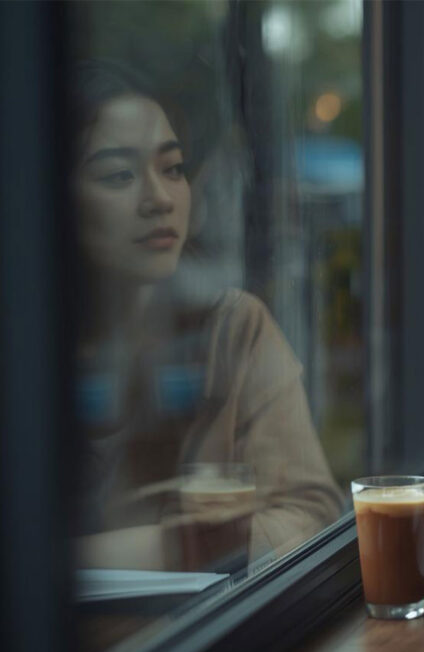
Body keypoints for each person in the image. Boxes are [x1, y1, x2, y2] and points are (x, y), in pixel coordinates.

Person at [71, 60, 343, 572]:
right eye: (118, 175)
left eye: (172, 169)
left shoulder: (230, 328)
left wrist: (154, 549)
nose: (158, 198)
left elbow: (311, 514)